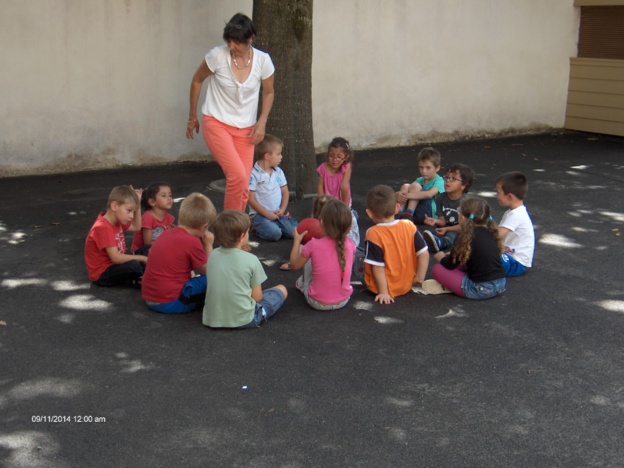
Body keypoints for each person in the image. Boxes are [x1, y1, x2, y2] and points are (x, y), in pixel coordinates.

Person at [186, 13, 275, 211]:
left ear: (250, 39)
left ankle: (237, 234)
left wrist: (262, 122)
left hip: (246, 129)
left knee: (243, 184)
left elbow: (269, 92)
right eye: (229, 41)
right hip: (216, 122)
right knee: (237, 175)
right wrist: (192, 116)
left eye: (237, 42)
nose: (232, 46)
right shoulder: (217, 55)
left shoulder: (263, 61)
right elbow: (197, 80)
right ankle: (229, 232)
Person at [203, 210, 287, 328]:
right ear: (242, 237)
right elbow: (257, 298)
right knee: (281, 289)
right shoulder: (251, 260)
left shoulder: (212, 255)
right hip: (245, 319)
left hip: (212, 318)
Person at [141, 193, 216, 314]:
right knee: (218, 279)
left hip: (150, 298)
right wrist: (208, 245)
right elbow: (208, 271)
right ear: (204, 227)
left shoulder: (167, 232)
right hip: (172, 301)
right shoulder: (192, 241)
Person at [422, 196, 506, 299]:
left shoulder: (464, 236)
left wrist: (440, 257)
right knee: (462, 263)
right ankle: (454, 283)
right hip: (501, 284)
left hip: (479, 289)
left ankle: (453, 286)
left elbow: (450, 265)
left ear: (462, 217)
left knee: (437, 269)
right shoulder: (491, 231)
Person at [361, 185, 429, 304]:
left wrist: (384, 292)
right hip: (406, 284)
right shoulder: (409, 225)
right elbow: (424, 253)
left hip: (381, 287)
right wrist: (419, 277)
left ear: (369, 213)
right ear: (397, 208)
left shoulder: (373, 233)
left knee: (359, 255)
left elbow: (378, 266)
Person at [289, 198, 355, 311]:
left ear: (321, 223)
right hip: (344, 300)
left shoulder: (313, 244)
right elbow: (350, 263)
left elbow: (294, 265)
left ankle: (302, 283)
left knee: (307, 255)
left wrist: (296, 242)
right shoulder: (350, 243)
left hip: (316, 302)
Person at [84, 185, 147, 286]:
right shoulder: (103, 227)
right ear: (114, 206)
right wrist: (143, 258)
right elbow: (116, 258)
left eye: (133, 212)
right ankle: (137, 280)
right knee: (135, 265)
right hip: (103, 273)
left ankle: (143, 273)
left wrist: (137, 205)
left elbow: (136, 227)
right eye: (129, 210)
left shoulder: (117, 219)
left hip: (116, 264)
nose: (131, 216)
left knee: (147, 249)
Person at [248, 134, 298, 242]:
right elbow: (250, 199)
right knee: (275, 234)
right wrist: (267, 214)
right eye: (278, 154)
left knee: (295, 232)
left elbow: (285, 192)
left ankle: (282, 221)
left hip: (277, 213)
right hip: (260, 215)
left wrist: (282, 210)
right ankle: (256, 227)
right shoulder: (253, 174)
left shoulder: (278, 171)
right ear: (267, 156)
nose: (281, 157)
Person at [422, 163, 476, 253]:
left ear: (463, 185)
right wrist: (435, 221)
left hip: (461, 230)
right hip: (446, 228)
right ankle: (426, 243)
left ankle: (441, 243)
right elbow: (442, 221)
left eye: (453, 179)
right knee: (428, 233)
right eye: (446, 177)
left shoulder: (467, 202)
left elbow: (466, 226)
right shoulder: (440, 198)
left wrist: (447, 229)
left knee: (452, 236)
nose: (448, 181)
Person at [316, 137, 360, 245]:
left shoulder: (346, 167)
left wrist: (345, 209)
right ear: (328, 155)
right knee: (325, 223)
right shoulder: (323, 167)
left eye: (339, 157)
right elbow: (320, 187)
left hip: (342, 199)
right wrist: (321, 204)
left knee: (343, 222)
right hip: (328, 201)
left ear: (346, 157)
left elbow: (344, 187)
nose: (334, 159)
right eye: (332, 156)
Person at [495, 171, 535, 277]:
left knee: (487, 257)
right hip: (508, 256)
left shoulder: (516, 215)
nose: (496, 195)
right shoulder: (512, 212)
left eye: (498, 192)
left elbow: (496, 234)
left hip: (516, 263)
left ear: (509, 197)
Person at [396, 147, 445, 223]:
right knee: (406, 186)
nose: (423, 171)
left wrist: (405, 195)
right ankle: (398, 213)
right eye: (421, 167)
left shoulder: (439, 181)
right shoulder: (419, 180)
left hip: (429, 215)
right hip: (417, 211)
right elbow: (408, 190)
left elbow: (429, 194)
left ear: (437, 168)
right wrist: (398, 194)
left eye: (428, 168)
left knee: (415, 186)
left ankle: (408, 215)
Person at [131, 182, 175, 255]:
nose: (169, 198)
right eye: (164, 196)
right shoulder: (148, 218)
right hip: (142, 252)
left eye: (170, 195)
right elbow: (148, 244)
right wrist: (168, 237)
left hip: (158, 247)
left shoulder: (168, 217)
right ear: (152, 202)